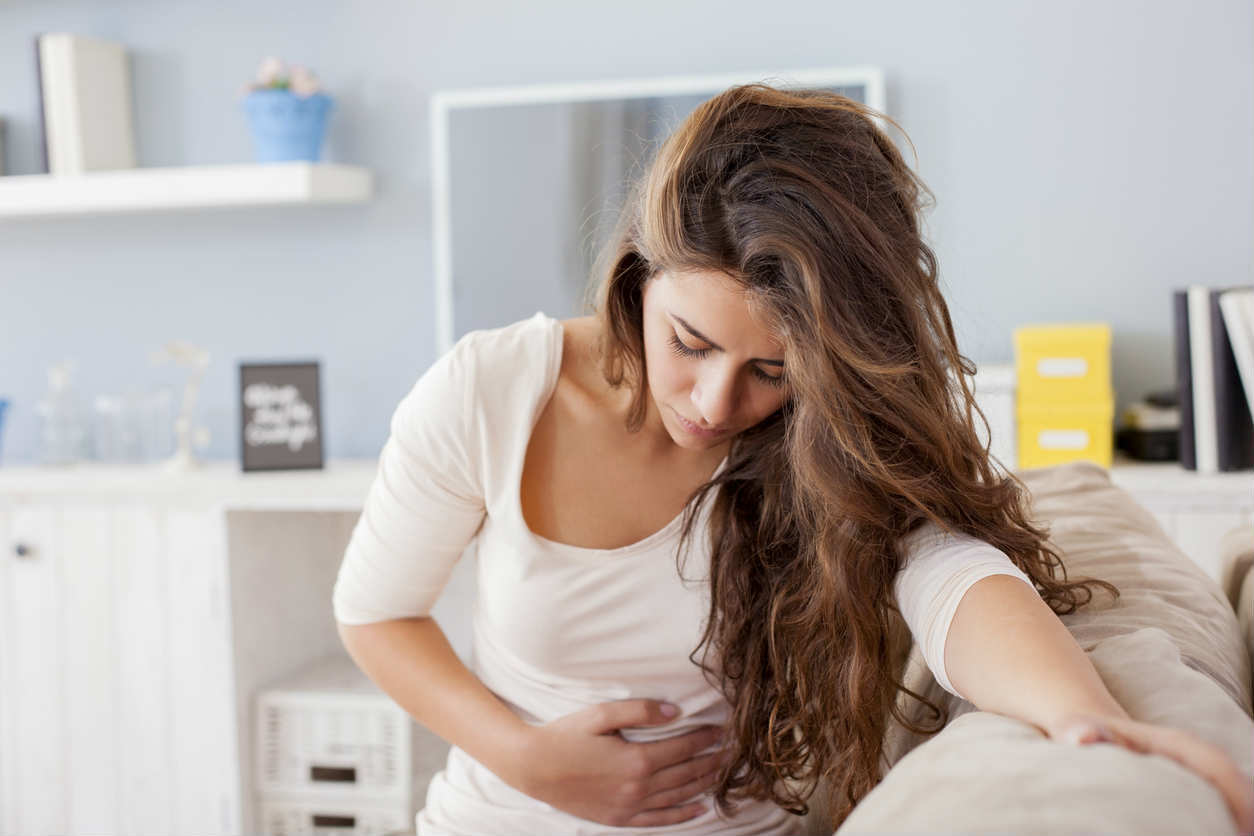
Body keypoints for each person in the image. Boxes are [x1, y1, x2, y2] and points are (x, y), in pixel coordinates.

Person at [333, 83, 1254, 836]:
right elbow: (375, 613)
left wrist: (1085, 719)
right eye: (688, 342)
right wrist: (528, 758)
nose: (715, 404)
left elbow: (953, 578)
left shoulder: (831, 441)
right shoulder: (493, 393)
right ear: (637, 279)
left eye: (772, 370)